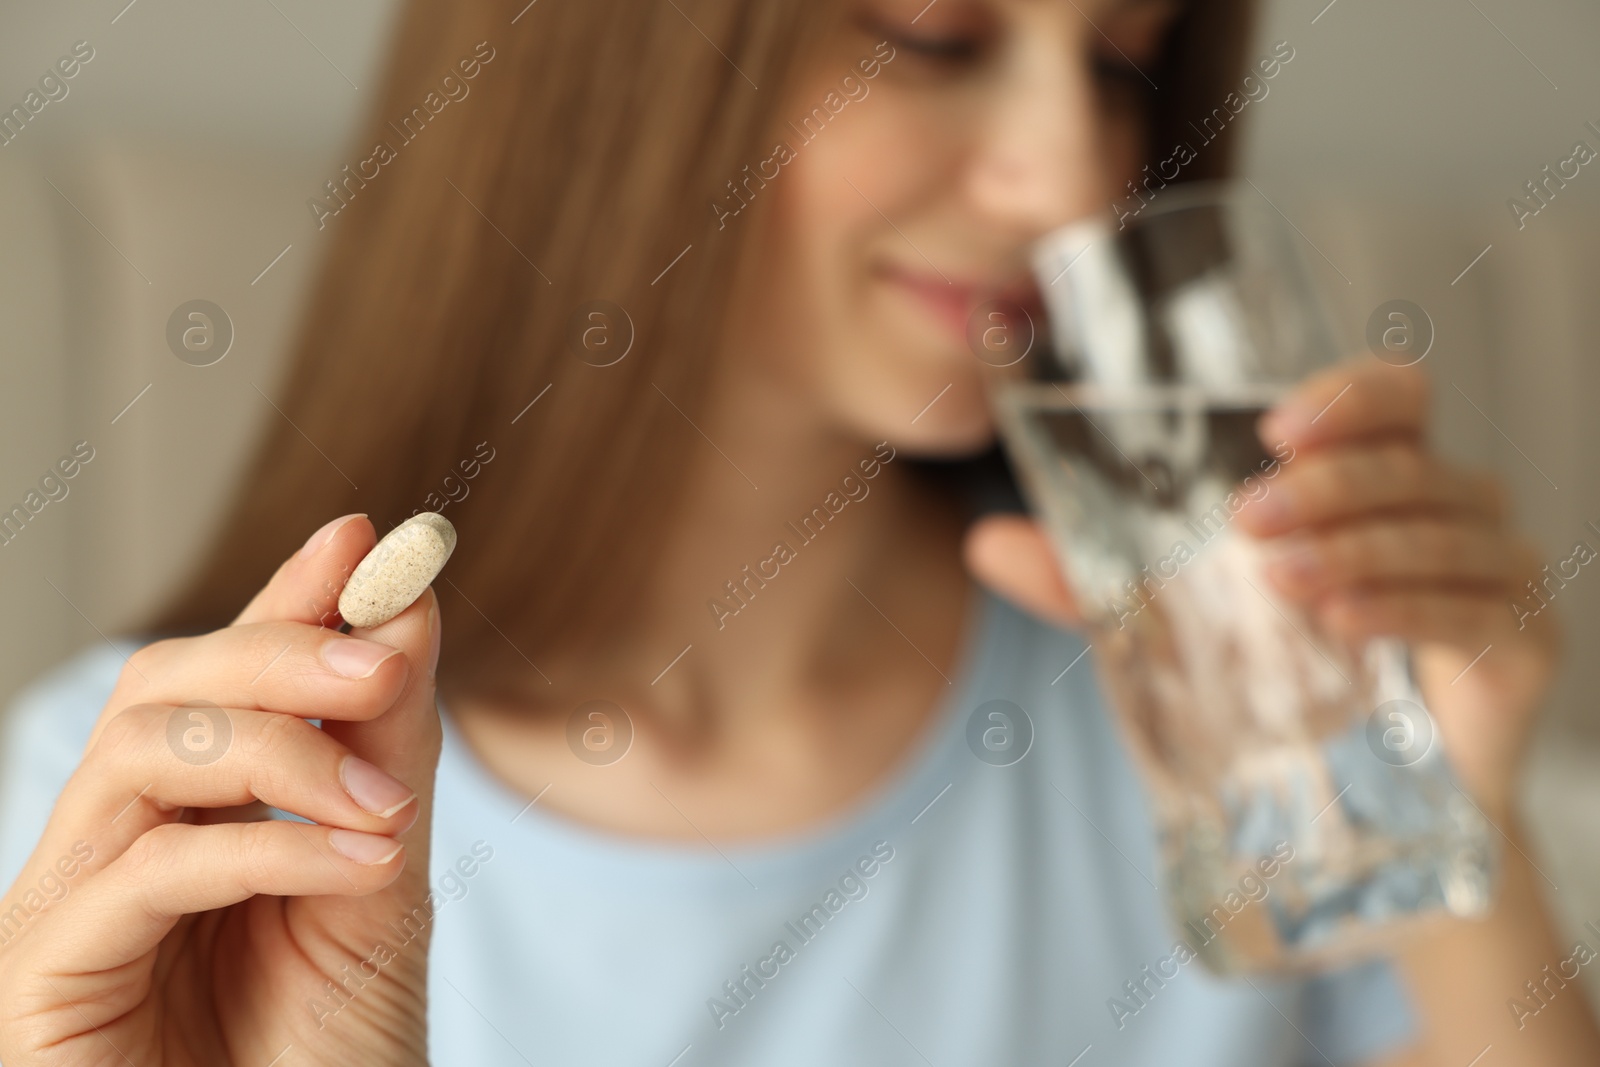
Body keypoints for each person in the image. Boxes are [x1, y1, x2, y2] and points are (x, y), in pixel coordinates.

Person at [1, 0, 1595, 1063]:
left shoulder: (1248, 759)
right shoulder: (167, 826)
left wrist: (1469, 824)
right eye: (934, 30)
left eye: (1119, 63)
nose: (1071, 179)